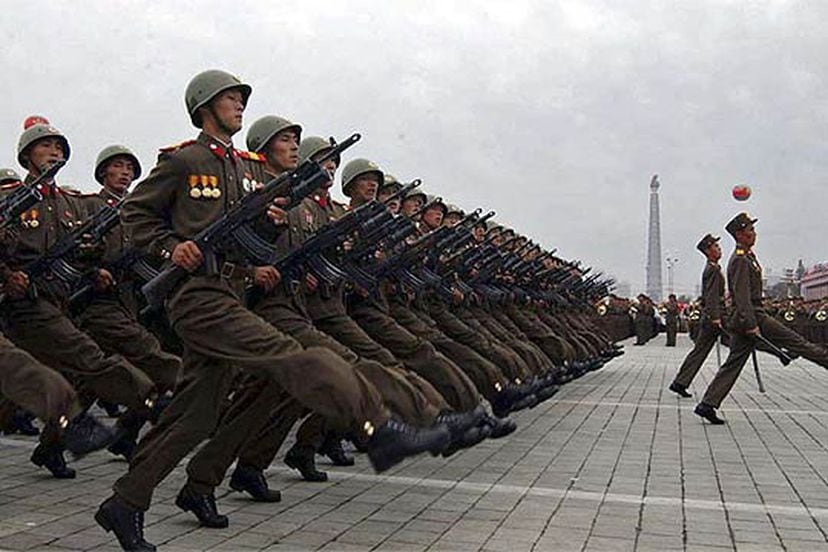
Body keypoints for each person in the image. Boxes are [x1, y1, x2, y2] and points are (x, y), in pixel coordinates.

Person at [95, 69, 449, 552]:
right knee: (290, 355)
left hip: (228, 292)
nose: (240, 105)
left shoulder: (240, 169)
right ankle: (379, 428)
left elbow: (249, 245)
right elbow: (134, 213)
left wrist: (266, 224)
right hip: (198, 298)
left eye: (242, 99)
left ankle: (125, 503)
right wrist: (169, 249)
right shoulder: (186, 160)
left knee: (195, 417)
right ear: (204, 105)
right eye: (230, 98)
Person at [0, 123, 157, 478]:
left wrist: (93, 264)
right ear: (27, 155)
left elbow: (82, 256)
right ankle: (151, 397)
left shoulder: (71, 204)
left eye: (59, 147)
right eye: (45, 147)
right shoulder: (10, 197)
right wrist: (8, 274)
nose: (54, 152)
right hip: (25, 301)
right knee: (84, 355)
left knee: (39, 378)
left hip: (59, 301)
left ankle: (50, 446)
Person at [695, 213, 828, 424]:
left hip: (746, 317)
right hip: (753, 316)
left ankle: (707, 404)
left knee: (734, 363)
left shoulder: (746, 256)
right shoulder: (739, 259)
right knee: (798, 343)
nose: (753, 234)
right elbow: (741, 296)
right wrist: (751, 324)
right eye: (750, 230)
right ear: (740, 234)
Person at [669, 234, 723, 397]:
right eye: (716, 247)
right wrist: (715, 317)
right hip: (714, 316)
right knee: (744, 340)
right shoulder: (712, 270)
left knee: (699, 351)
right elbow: (712, 295)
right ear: (708, 251)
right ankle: (780, 351)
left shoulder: (713, 268)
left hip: (711, 315)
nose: (719, 250)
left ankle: (680, 382)